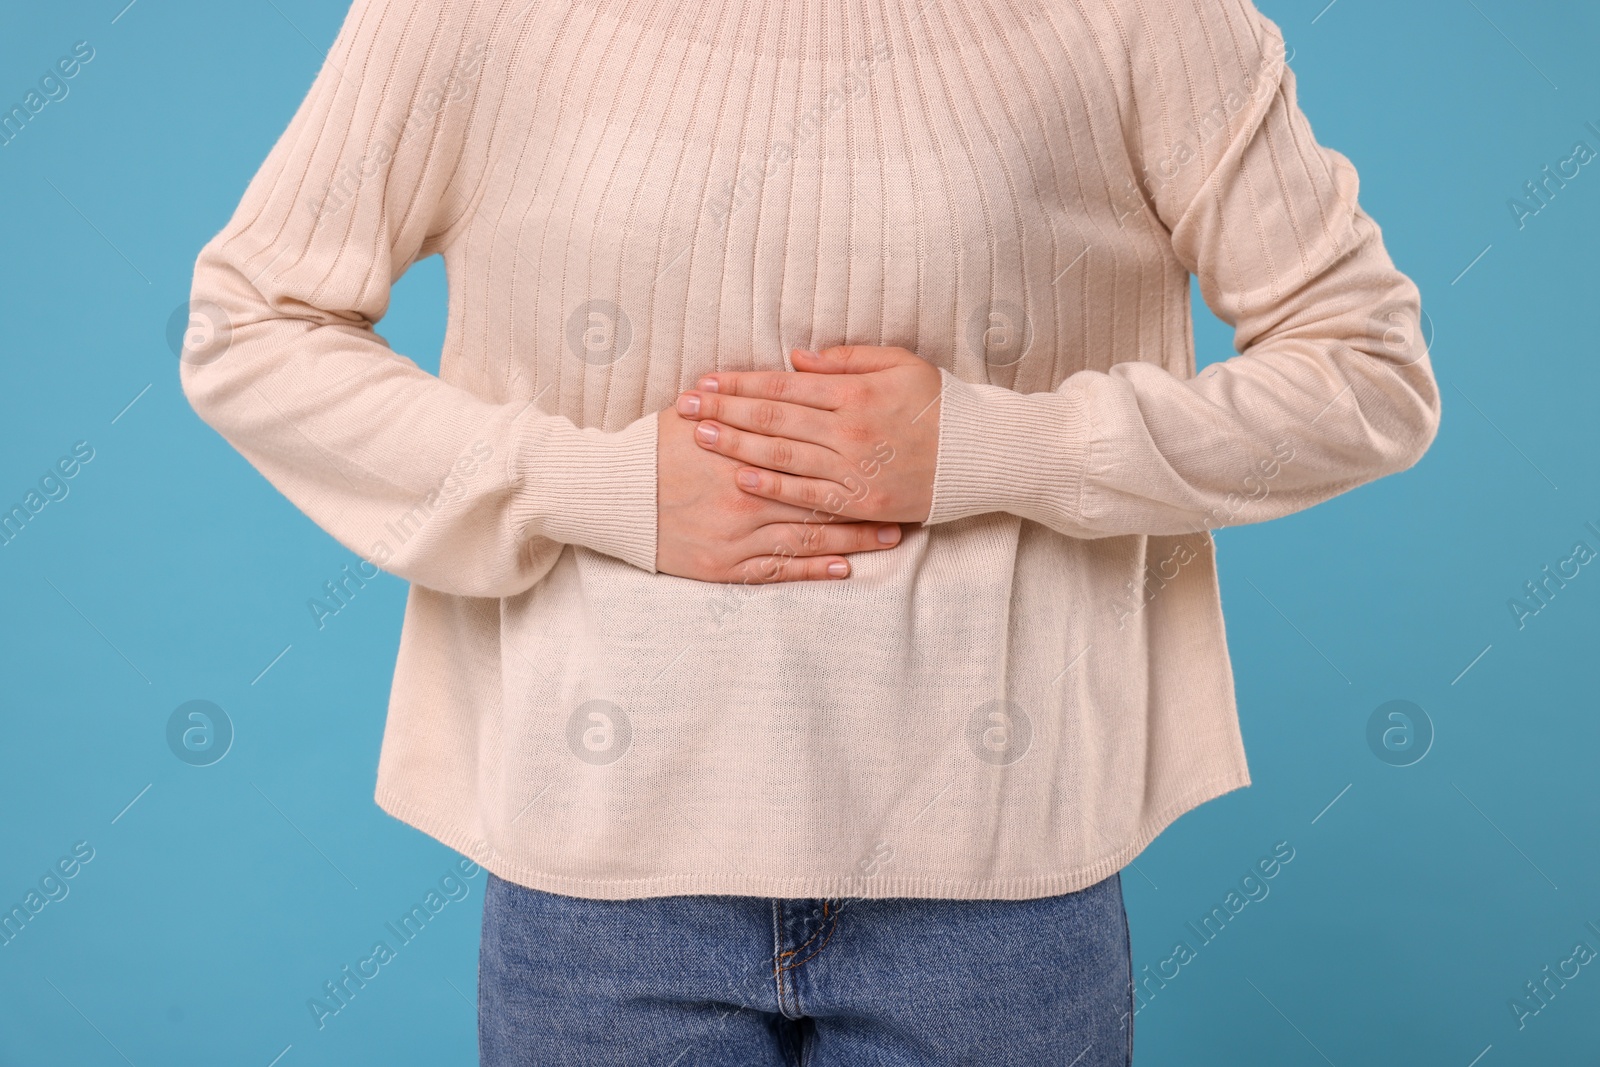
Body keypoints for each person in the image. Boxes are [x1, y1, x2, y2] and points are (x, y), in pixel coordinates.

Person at [179, 0, 1441, 1062]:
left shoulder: (1139, 21)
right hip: (602, 874)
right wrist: (585, 483)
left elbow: (1368, 372)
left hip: (995, 877)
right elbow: (249, 326)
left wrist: (986, 449)